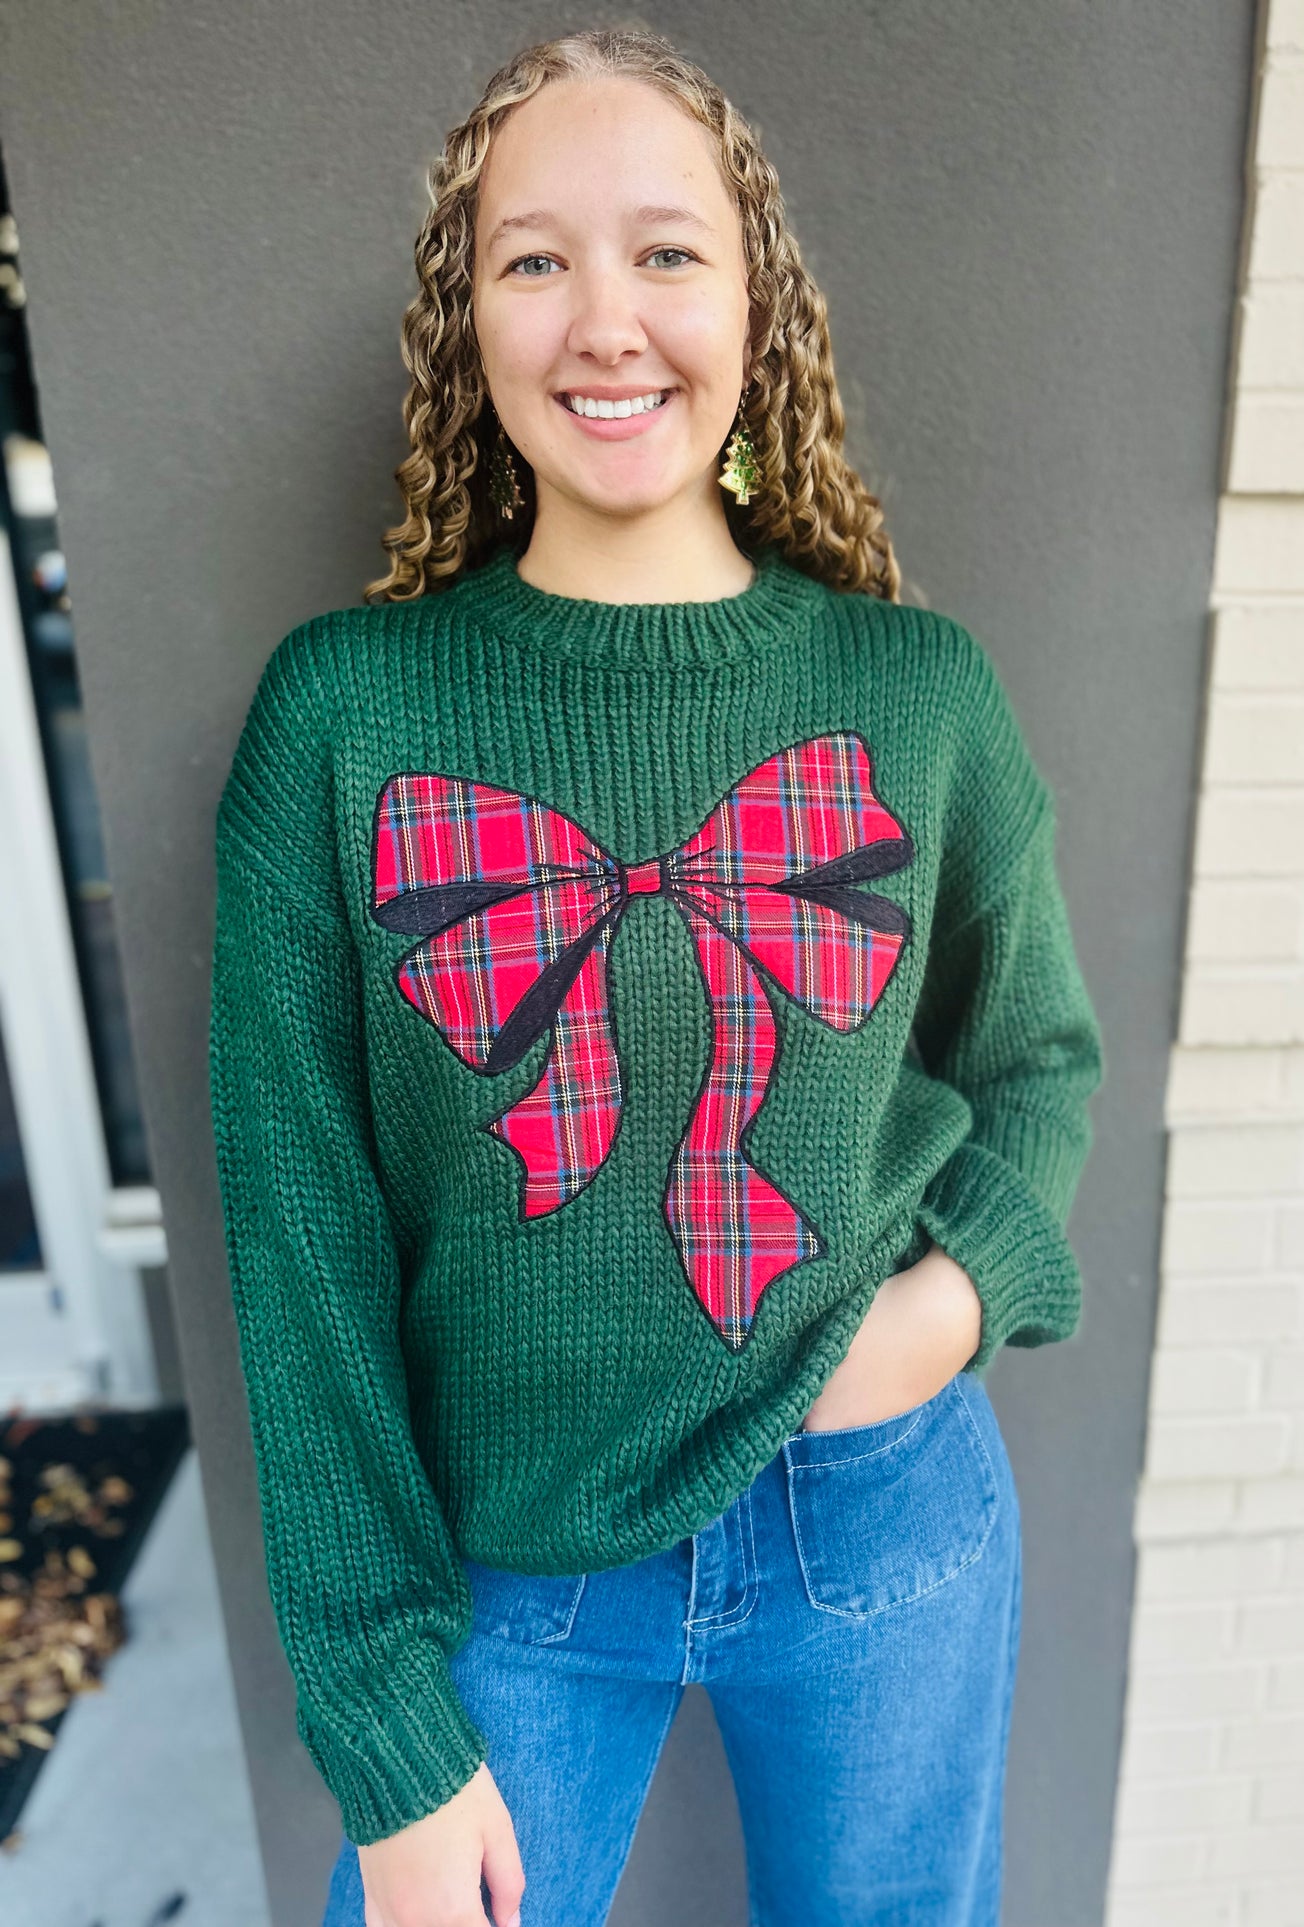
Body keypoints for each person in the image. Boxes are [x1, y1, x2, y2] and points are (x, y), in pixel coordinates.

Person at [208, 25, 1105, 1927]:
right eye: (535, 259)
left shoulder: (914, 692)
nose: (605, 318)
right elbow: (303, 1248)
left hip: (879, 1505)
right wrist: (383, 1721)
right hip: (503, 1569)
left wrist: (938, 1324)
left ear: (758, 309)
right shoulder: (344, 720)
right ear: (469, 329)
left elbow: (1035, 1060)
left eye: (666, 252)